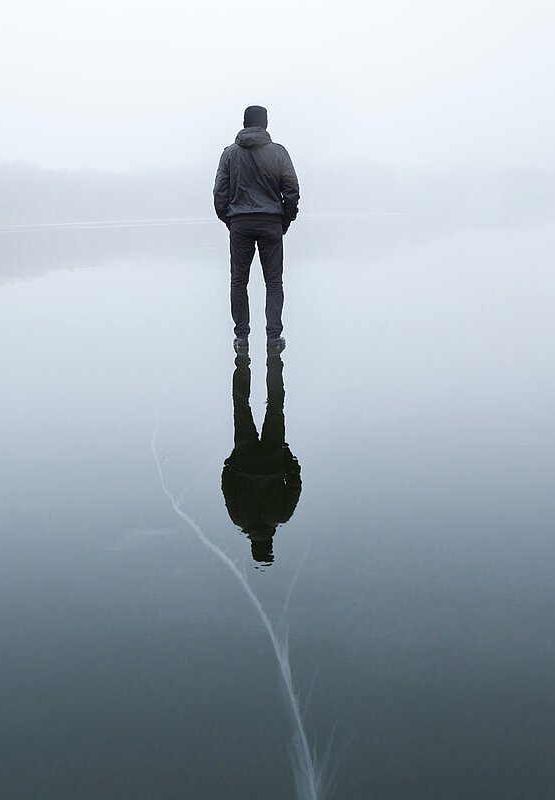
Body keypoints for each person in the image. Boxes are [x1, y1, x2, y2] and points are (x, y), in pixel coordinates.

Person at [213, 105, 300, 354]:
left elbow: (220, 193)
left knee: (238, 281)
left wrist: (230, 220)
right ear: (265, 124)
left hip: (240, 223)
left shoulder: (229, 154)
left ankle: (241, 338)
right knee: (273, 282)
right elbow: (292, 189)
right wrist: (285, 219)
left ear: (244, 123)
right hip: (271, 222)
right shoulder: (279, 153)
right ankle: (274, 338)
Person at [221, 353, 302, 567]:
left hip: (273, 459)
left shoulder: (281, 516)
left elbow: (294, 486)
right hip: (245, 458)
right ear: (253, 545)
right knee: (241, 406)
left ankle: (274, 360)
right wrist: (231, 462)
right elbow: (227, 486)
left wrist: (288, 458)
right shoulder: (239, 519)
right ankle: (242, 360)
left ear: (271, 544)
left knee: (275, 407)